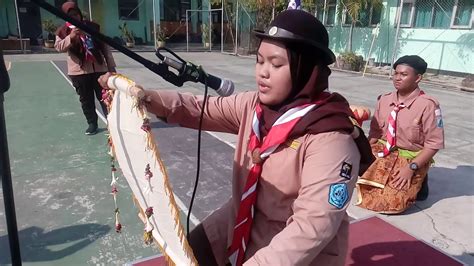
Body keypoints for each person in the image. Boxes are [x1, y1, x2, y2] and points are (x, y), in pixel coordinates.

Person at [100, 10, 373, 265]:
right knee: (190, 252)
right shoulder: (253, 106)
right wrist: (146, 98)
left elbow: (313, 227)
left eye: (276, 64)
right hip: (244, 216)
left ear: (307, 70)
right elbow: (199, 108)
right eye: (260, 60)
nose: (262, 72)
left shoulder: (332, 138)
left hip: (295, 249)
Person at [356, 55, 444, 214]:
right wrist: (362, 153)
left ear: (418, 78)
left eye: (404, 75)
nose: (397, 78)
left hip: (410, 157)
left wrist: (411, 168)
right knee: (364, 186)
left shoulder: (428, 105)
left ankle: (420, 179)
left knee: (393, 204)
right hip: (386, 150)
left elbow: (434, 144)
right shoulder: (384, 100)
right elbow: (376, 133)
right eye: (396, 73)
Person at [55, 1, 116, 135]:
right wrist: (71, 37)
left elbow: (105, 47)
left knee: (105, 97)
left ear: (79, 14)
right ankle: (92, 124)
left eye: (76, 14)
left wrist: (111, 68)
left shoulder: (92, 27)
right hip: (79, 72)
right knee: (86, 100)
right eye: (70, 15)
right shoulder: (63, 31)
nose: (74, 17)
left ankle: (112, 122)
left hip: (99, 70)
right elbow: (58, 47)